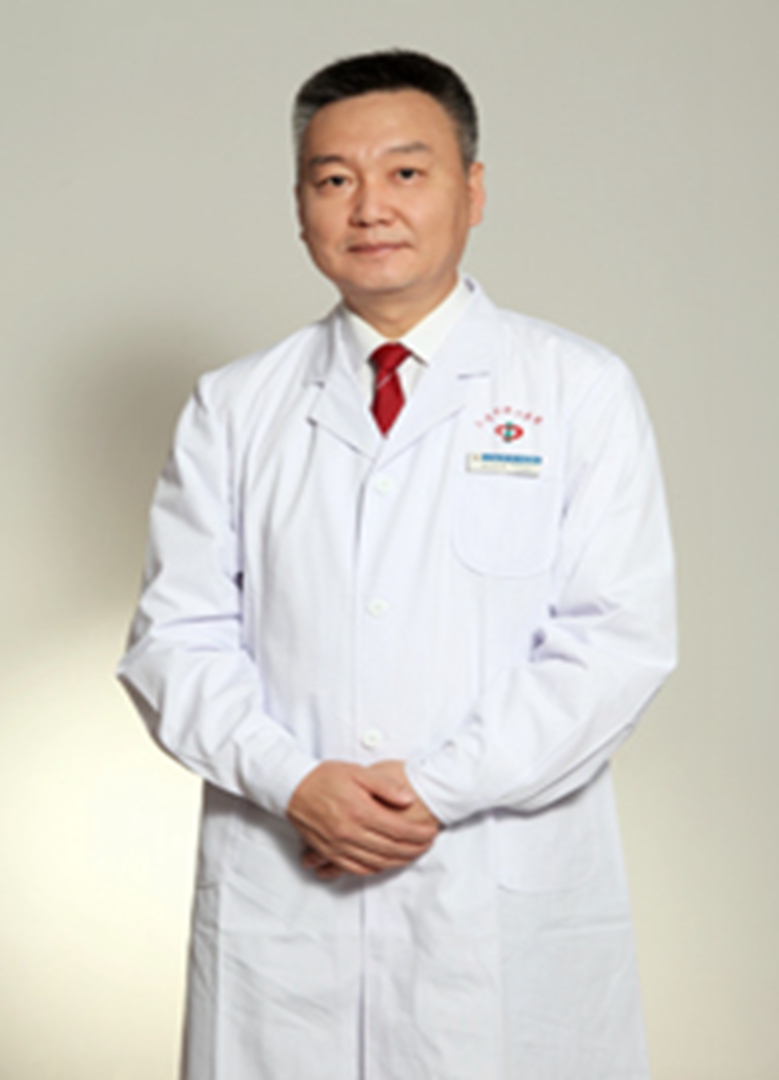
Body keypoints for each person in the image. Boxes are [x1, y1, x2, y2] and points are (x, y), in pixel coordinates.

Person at [118, 49, 677, 1080]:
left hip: (493, 895)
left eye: (406, 172)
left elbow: (616, 642)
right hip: (288, 893)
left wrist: (435, 790)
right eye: (334, 178)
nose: (369, 206)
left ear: (473, 190)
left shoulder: (577, 389)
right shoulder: (234, 407)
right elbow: (174, 641)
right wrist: (295, 783)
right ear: (300, 208)